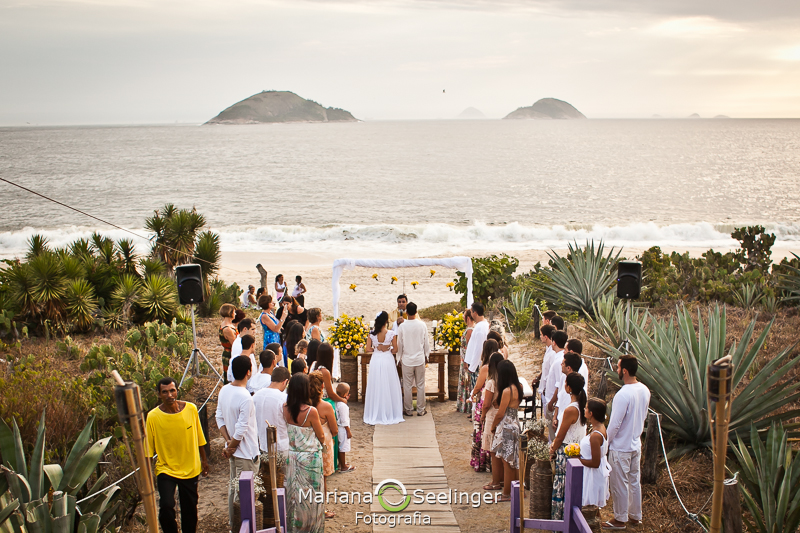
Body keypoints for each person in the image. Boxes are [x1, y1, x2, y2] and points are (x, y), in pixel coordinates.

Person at [145, 377, 209, 533]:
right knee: (166, 506)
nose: (169, 395)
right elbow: (148, 449)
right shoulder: (153, 417)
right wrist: (146, 475)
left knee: (190, 509)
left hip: (190, 468)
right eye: (165, 392)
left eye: (172, 390)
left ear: (177, 391)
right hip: (166, 468)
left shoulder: (191, 409)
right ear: (159, 395)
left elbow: (200, 437)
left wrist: (204, 461)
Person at [604, 355, 651, 530]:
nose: (616, 370)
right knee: (634, 482)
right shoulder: (645, 390)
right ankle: (635, 515)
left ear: (624, 370)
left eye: (617, 367)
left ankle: (620, 518)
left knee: (619, 484)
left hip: (621, 446)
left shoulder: (622, 394)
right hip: (635, 443)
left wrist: (605, 444)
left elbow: (615, 424)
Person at [215, 356, 260, 528]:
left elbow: (219, 417)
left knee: (233, 489)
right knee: (243, 496)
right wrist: (231, 446)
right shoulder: (246, 397)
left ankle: (234, 526)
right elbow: (241, 429)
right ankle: (242, 527)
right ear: (249, 372)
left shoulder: (224, 390)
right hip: (246, 453)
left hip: (233, 451)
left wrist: (228, 443)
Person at [283, 374, 325, 533]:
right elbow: (320, 435)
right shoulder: (311, 411)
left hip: (292, 457)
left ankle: (295, 527)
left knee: (294, 495)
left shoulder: (285, 408)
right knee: (312, 497)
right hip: (310, 458)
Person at [550, 373, 587, 520]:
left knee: (562, 485)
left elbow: (560, 435)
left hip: (566, 451)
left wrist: (552, 448)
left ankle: (560, 519)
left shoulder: (571, 409)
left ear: (569, 387)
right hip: (577, 449)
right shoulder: (582, 406)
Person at [489, 359, 523, 502]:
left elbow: (500, 413)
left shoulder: (507, 391)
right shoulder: (518, 386)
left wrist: (493, 426)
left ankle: (507, 493)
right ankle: (518, 490)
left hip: (506, 426)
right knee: (514, 460)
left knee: (506, 461)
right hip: (515, 423)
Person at [363, 311, 404, 425]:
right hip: (387, 359)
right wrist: (388, 348)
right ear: (386, 321)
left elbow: (368, 349)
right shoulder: (391, 334)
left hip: (376, 359)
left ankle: (376, 411)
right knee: (389, 384)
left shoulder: (371, 334)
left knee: (376, 384)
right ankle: (390, 411)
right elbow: (396, 349)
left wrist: (377, 348)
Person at [309, 371, 338, 519]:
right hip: (324, 443)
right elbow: (334, 429)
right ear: (322, 386)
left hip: (309, 443)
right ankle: (322, 509)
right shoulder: (326, 406)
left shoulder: (306, 405)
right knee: (323, 479)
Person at [469, 339, 499, 472]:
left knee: (480, 430)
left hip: (484, 399)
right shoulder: (500, 364)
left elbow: (478, 385)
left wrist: (473, 394)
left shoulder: (486, 367)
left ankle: (480, 461)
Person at [397, 302, 430, 416]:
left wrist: (399, 358)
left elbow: (399, 343)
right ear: (416, 312)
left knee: (407, 385)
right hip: (419, 358)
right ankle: (421, 410)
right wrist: (427, 355)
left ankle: (409, 410)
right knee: (420, 384)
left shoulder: (402, 326)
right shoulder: (422, 325)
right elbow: (426, 342)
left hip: (407, 359)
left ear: (406, 312)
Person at [579, 398, 611, 510]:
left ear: (591, 413)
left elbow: (595, 463)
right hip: (592, 473)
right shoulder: (599, 427)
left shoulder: (596, 436)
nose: (584, 409)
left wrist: (577, 459)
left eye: (586, 408)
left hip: (593, 475)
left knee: (590, 507)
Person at [253, 366, 291, 457]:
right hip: (281, 446)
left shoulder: (256, 396)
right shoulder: (283, 398)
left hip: (262, 445)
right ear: (285, 382)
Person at [481, 352, 505, 491]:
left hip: (492, 416)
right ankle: (501, 479)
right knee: (500, 450)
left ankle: (495, 481)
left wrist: (483, 415)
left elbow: (486, 403)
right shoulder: (504, 380)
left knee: (493, 451)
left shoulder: (491, 382)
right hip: (502, 415)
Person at [553, 351, 589, 430]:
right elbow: (560, 399)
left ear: (568, 368)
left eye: (563, 363)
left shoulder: (573, 386)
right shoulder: (565, 379)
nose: (561, 365)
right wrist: (555, 415)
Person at [545, 330, 568, 442]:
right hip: (551, 400)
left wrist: (552, 402)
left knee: (553, 433)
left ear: (554, 342)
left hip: (553, 402)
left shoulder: (560, 360)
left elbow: (559, 385)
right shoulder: (557, 357)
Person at [463, 302, 489, 390]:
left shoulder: (480, 328)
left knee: (476, 389)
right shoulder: (479, 325)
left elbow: (479, 348)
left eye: (471, 311)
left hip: (476, 365)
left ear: (475, 313)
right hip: (473, 363)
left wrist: (472, 367)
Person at [456, 308, 475, 414]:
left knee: (466, 382)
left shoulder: (469, 330)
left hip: (466, 360)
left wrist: (466, 362)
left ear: (468, 318)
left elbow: (468, 347)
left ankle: (466, 405)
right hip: (464, 359)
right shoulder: (470, 329)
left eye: (464, 316)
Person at [537, 324, 557, 417]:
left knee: (549, 416)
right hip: (544, 388)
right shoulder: (548, 349)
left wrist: (546, 388)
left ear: (546, 336)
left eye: (541, 335)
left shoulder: (553, 353)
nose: (540, 337)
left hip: (548, 390)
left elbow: (551, 373)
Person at [336, 383, 355, 472]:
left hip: (339, 428)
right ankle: (343, 466)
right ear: (345, 394)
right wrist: (348, 431)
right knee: (343, 448)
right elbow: (344, 420)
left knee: (340, 446)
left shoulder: (336, 402)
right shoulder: (342, 405)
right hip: (343, 429)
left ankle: (341, 463)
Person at [219, 303, 237, 385]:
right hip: (230, 353)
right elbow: (235, 344)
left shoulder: (229, 325)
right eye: (234, 312)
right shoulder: (227, 329)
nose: (235, 314)